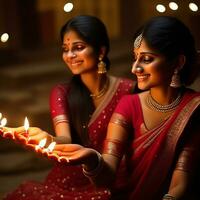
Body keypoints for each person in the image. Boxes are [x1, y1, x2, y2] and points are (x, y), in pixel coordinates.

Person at [39, 16, 200, 200]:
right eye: (135, 58)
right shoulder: (129, 104)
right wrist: (91, 159)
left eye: (146, 59)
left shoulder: (193, 107)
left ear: (178, 63)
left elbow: (182, 181)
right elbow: (105, 177)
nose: (135, 68)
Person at [0, 15, 136, 199]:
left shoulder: (128, 90)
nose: (70, 56)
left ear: (101, 51)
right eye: (65, 49)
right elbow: (64, 139)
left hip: (110, 174)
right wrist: (46, 138)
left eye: (78, 48)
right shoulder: (61, 93)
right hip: (68, 176)